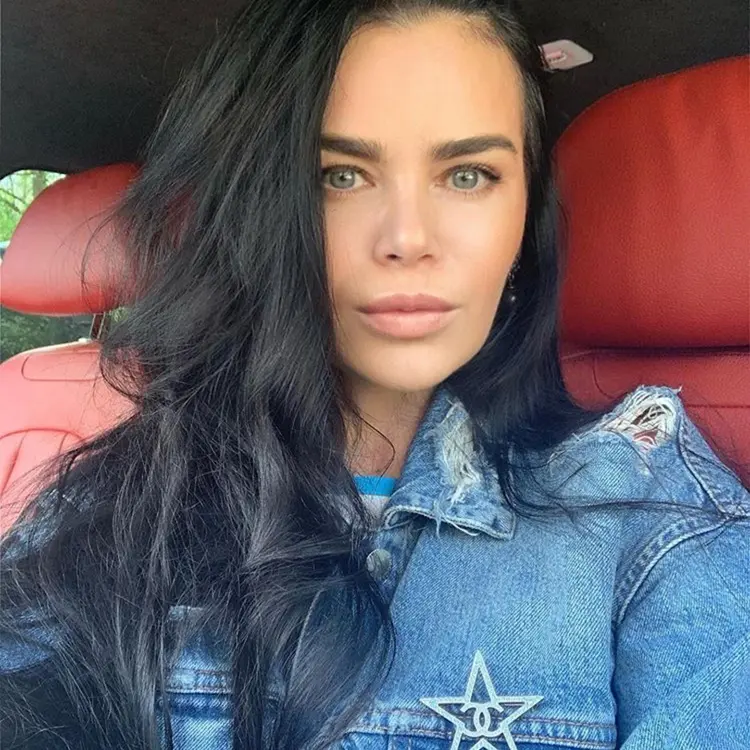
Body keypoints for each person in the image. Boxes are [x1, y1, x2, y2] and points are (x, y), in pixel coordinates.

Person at [0, 1, 748, 749]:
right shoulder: (117, 497)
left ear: (526, 218)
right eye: (341, 175)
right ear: (254, 210)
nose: (407, 239)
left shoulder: (640, 499)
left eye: (468, 175)